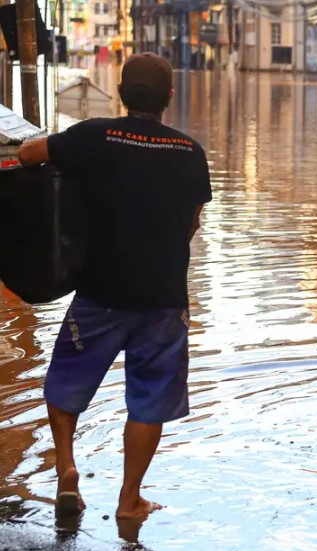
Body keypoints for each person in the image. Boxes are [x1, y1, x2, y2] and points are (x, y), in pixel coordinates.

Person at [17, 53, 211, 520]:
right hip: (163, 299)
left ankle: (66, 469)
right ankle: (130, 500)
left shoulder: (94, 136)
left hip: (100, 293)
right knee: (149, 400)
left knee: (65, 383)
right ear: (170, 97)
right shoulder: (190, 152)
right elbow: (191, 223)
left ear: (121, 94)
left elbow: (27, 155)